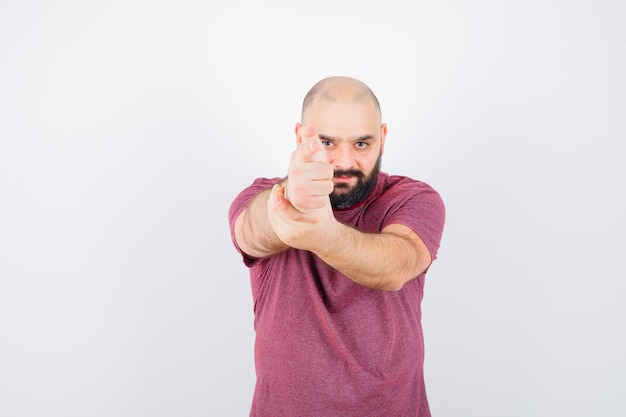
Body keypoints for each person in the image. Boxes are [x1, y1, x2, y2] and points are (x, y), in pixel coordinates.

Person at [228, 76, 445, 417]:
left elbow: (397, 265)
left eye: (361, 144)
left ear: (383, 139)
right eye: (327, 143)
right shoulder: (266, 197)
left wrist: (324, 235)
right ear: (301, 138)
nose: (344, 163)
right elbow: (251, 232)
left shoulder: (413, 199)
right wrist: (287, 203)